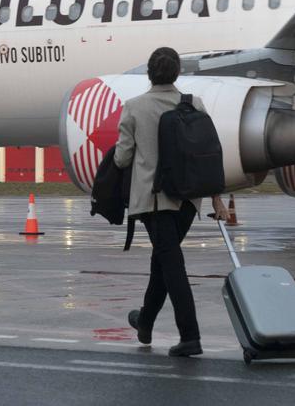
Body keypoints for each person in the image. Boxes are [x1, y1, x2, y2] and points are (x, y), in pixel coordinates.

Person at [114, 46, 229, 357]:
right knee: (163, 262)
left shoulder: (134, 107)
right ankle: (145, 322)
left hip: (156, 201)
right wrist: (216, 199)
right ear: (177, 72)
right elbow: (209, 154)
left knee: (172, 265)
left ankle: (190, 335)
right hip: (190, 201)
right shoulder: (195, 104)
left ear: (149, 73)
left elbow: (122, 158)